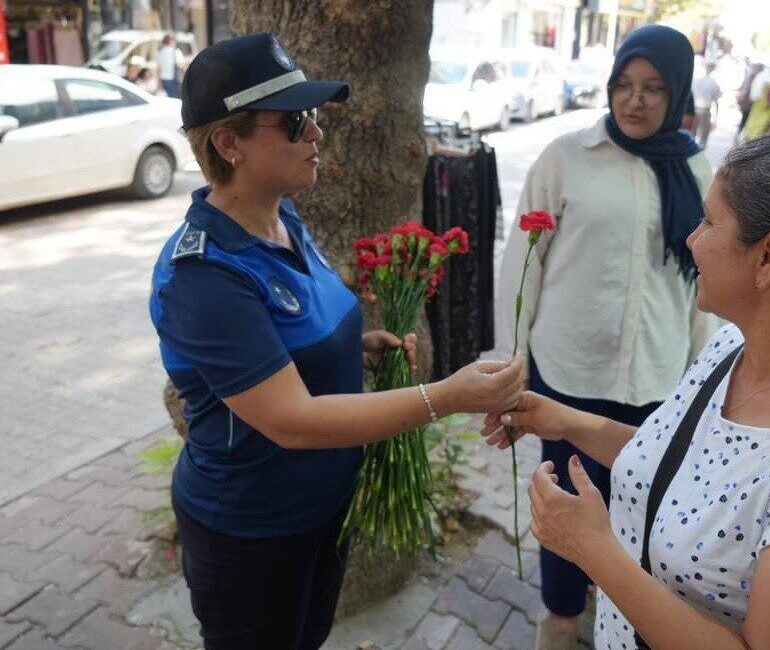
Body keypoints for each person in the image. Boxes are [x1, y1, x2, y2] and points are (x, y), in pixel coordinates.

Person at [488, 99, 770, 650]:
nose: (692, 240)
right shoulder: (732, 348)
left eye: (710, 222)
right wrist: (565, 420)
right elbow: (687, 471)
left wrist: (595, 552)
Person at [148, 33, 524, 650]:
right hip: (252, 529)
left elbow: (291, 339)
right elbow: (291, 421)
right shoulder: (204, 275)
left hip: (323, 507)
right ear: (228, 144)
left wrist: (351, 348)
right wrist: (446, 397)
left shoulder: (283, 217)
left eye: (314, 115)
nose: (317, 133)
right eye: (294, 122)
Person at [494, 24, 717, 650]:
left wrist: (701, 373)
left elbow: (702, 280)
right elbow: (523, 264)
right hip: (569, 372)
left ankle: (617, 607)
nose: (634, 100)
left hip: (657, 379)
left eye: (653, 88)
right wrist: (511, 357)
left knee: (637, 507)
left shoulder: (696, 168)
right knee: (565, 504)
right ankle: (561, 622)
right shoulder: (567, 156)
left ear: (678, 94)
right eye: (624, 84)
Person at [692, 60, 722, 148]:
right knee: (704, 136)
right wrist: (715, 117)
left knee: (692, 133)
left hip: (694, 109)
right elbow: (716, 102)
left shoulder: (696, 80)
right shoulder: (714, 83)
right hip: (705, 110)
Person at [156, 33, 187, 98]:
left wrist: (159, 84)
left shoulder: (159, 53)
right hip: (175, 80)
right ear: (172, 41)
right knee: (178, 99)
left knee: (170, 99)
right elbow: (180, 66)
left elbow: (159, 69)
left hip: (163, 80)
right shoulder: (176, 52)